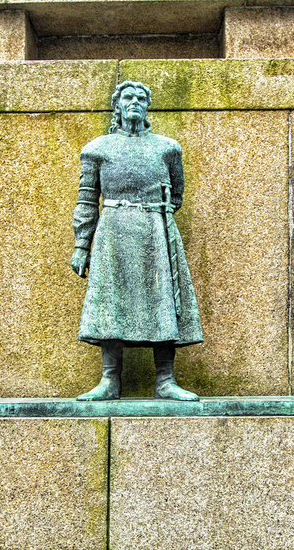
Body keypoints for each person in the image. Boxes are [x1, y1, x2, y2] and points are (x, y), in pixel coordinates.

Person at [70, 80, 202, 401]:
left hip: (156, 233)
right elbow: (87, 201)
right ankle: (110, 380)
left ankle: (166, 380)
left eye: (141, 98)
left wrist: (151, 216)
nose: (135, 102)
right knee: (110, 302)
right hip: (112, 234)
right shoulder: (97, 148)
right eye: (128, 97)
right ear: (117, 106)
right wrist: (80, 246)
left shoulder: (167, 148)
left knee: (163, 299)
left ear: (147, 107)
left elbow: (177, 194)